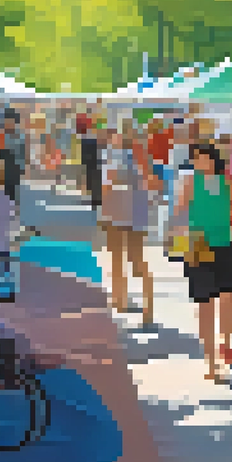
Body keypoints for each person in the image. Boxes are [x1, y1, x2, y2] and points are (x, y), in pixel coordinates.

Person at [180, 142, 232, 380]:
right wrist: (180, 238)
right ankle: (210, 360)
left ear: (213, 159)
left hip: (225, 244)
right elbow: (180, 212)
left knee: (227, 297)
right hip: (199, 245)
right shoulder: (190, 183)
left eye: (202, 158)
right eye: (195, 159)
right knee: (205, 303)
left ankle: (225, 343)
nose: (198, 163)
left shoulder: (227, 182)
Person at [102, 123, 154, 328]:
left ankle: (119, 299)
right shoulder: (144, 160)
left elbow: (107, 186)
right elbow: (152, 185)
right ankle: (147, 306)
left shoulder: (113, 158)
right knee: (138, 261)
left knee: (117, 257)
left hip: (116, 212)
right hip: (138, 214)